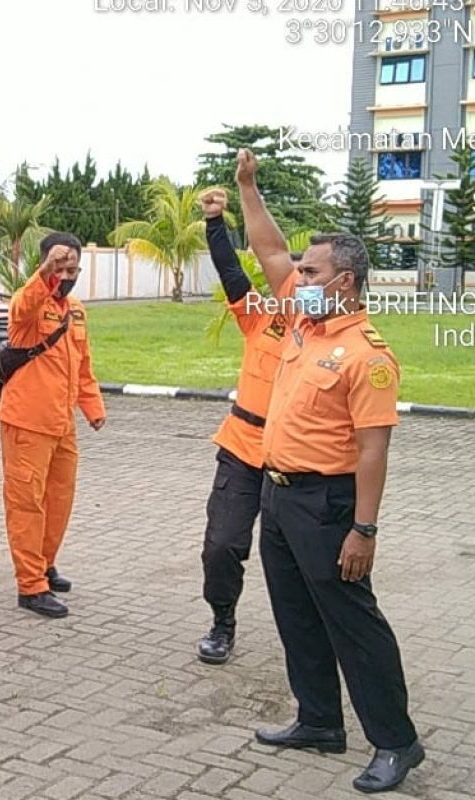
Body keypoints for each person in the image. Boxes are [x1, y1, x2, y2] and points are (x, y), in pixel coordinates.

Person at [236, 148, 425, 794]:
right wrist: (248, 187)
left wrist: (363, 531)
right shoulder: (304, 323)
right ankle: (319, 720)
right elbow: (267, 250)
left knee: (353, 625)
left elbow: (374, 449)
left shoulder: (365, 355)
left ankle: (396, 743)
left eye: (311, 269)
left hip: (328, 506)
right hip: (278, 497)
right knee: (296, 616)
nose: (296, 276)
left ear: (342, 280)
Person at [195, 187, 288, 665]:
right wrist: (216, 221)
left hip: (295, 460)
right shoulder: (263, 320)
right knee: (222, 545)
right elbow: (232, 273)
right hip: (242, 447)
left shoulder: (328, 333)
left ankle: (317, 637)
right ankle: (222, 621)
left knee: (300, 561)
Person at [0, 235, 105, 619]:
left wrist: (92, 406)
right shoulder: (27, 304)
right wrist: (43, 275)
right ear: (44, 266)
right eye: (59, 268)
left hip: (63, 423)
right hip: (27, 421)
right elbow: (24, 305)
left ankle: (44, 563)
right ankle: (30, 585)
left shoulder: (75, 310)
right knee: (26, 504)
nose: (66, 275)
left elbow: (83, 362)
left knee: (59, 501)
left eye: (72, 269)